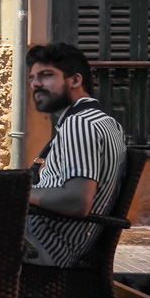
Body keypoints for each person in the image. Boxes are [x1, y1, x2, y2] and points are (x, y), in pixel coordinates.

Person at [23, 42, 127, 268]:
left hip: (45, 246)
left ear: (75, 80)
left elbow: (77, 201)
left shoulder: (79, 124)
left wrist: (17, 192)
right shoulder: (103, 121)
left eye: (47, 75)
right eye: (32, 78)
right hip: (51, 241)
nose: (35, 84)